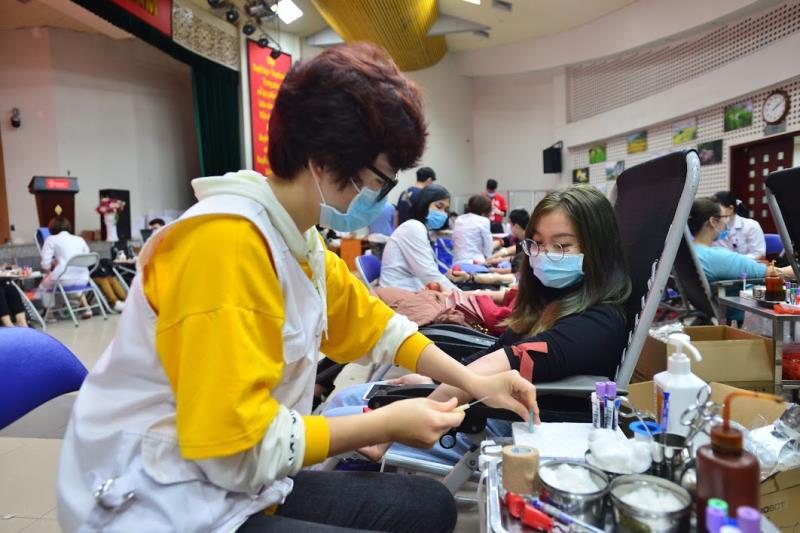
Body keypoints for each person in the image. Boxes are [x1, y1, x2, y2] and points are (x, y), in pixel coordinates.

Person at [57, 43, 537, 533]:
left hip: (232, 482)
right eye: (379, 180)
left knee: (428, 505)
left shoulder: (298, 239)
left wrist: (474, 382)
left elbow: (376, 327)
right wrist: (386, 424)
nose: (380, 196)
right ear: (323, 160)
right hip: (159, 502)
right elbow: (234, 447)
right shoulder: (225, 245)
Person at [330, 185, 632, 463]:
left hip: (502, 423)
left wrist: (393, 430)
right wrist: (430, 381)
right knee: (348, 398)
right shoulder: (550, 299)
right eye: (538, 243)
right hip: (481, 403)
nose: (544, 256)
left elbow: (500, 363)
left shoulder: (599, 323)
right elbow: (497, 351)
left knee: (339, 416)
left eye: (562, 246)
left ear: (597, 249)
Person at [380, 184, 462, 292]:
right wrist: (464, 296)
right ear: (424, 204)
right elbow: (429, 275)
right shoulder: (413, 227)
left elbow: (428, 272)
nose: (443, 213)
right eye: (439, 206)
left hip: (409, 289)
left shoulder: (421, 229)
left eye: (446, 210)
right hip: (399, 293)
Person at [690, 197, 793, 282]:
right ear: (713, 221)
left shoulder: (687, 251)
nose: (726, 222)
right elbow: (778, 273)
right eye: (724, 217)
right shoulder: (719, 258)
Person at [39, 216, 93, 320]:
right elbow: (86, 257)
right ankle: (87, 308)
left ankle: (50, 314)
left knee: (43, 286)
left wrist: (51, 266)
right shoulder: (79, 239)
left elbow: (45, 264)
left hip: (64, 279)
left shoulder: (51, 239)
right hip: (83, 279)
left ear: (52, 228)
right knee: (76, 288)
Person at [711, 191, 765, 259]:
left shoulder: (751, 226)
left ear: (730, 209)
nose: (714, 214)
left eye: (717, 210)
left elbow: (759, 255)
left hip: (746, 265)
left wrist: (733, 261)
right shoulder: (711, 227)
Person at [452, 195, 493, 265]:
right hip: (475, 262)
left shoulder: (459, 219)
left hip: (457, 262)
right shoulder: (483, 220)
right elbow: (488, 246)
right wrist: (489, 259)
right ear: (485, 210)